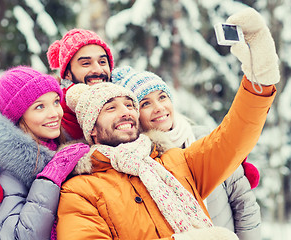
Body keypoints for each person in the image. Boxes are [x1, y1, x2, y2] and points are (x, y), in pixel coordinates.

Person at [55, 8, 278, 239]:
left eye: (130, 105)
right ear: (91, 128)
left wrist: (259, 80)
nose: (125, 113)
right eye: (110, 108)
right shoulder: (79, 191)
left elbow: (233, 139)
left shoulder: (177, 161)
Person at [0, 28, 114, 209]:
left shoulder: (124, 99)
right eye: (86, 63)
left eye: (103, 61)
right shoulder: (57, 105)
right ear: (67, 72)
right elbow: (1, 132)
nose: (98, 69)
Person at [111, 66, 261, 239]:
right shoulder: (140, 162)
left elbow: (244, 203)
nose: (159, 107)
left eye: (162, 97)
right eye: (145, 103)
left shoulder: (206, 138)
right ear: (134, 116)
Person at [0, 66, 89, 239]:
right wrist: (50, 177)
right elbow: (20, 236)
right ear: (18, 117)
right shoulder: (3, 166)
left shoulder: (56, 145)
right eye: (40, 107)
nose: (55, 113)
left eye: (56, 102)